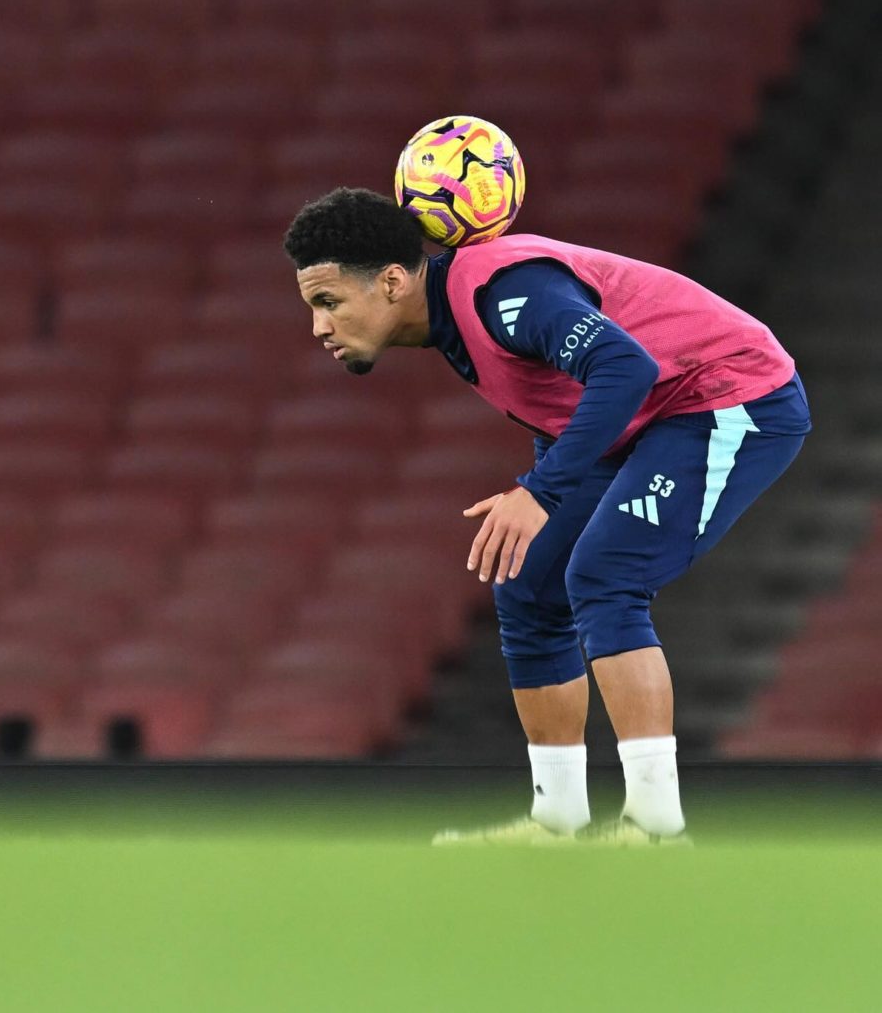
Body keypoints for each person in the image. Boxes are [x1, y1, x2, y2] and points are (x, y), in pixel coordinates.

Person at [283, 186, 811, 845]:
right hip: (657, 414)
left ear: (391, 281)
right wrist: (547, 494)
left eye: (327, 302)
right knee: (528, 578)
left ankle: (656, 827)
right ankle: (558, 819)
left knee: (604, 574)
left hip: (733, 394)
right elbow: (560, 400)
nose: (319, 327)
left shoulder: (503, 292)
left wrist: (540, 491)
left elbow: (624, 366)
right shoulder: (456, 318)